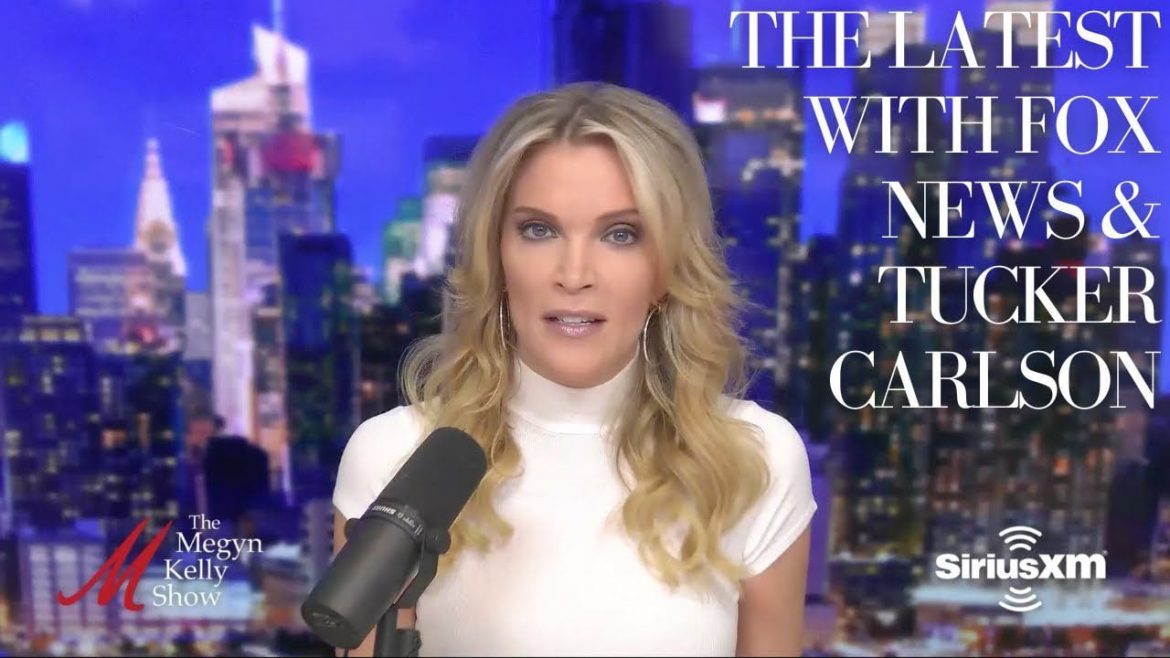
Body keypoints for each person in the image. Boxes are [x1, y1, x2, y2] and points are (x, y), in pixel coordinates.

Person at [332, 81, 817, 657]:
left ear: (668, 268)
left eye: (621, 234)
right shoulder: (393, 457)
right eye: (539, 230)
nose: (574, 274)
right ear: (496, 255)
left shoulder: (755, 460)